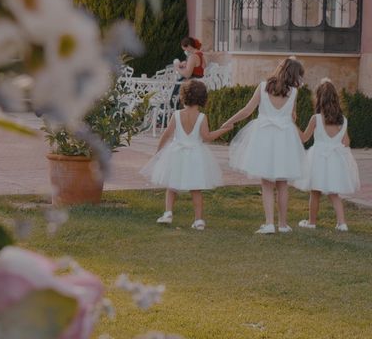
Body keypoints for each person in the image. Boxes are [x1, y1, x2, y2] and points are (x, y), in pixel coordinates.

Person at [221, 57, 306, 234]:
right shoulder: (294, 92)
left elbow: (247, 110)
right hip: (284, 139)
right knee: (282, 183)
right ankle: (283, 224)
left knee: (267, 183)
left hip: (264, 137)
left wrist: (229, 121)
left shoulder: (263, 86)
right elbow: (292, 117)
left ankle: (269, 223)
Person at [141, 80, 231, 230]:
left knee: (171, 185)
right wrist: (224, 129)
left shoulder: (176, 115)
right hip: (196, 155)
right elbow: (207, 137)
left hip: (176, 153)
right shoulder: (202, 117)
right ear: (202, 98)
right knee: (196, 188)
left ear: (183, 96)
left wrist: (158, 151)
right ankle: (199, 220)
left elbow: (167, 134)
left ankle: (168, 212)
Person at [296, 79, 360, 231]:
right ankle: (342, 223)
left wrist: (293, 125)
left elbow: (304, 138)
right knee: (334, 193)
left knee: (315, 191)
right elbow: (346, 142)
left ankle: (312, 223)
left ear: (319, 98)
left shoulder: (316, 119)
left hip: (318, 159)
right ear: (335, 99)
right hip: (335, 160)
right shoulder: (343, 120)